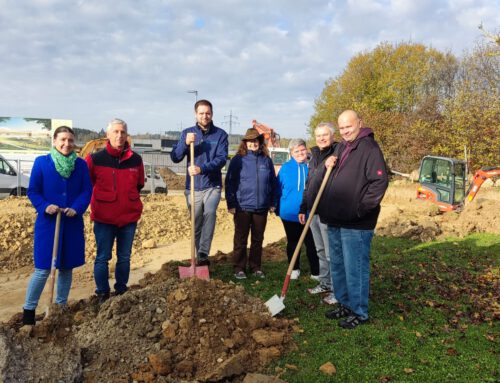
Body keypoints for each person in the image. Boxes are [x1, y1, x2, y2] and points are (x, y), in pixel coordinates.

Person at [318, 110, 388, 329]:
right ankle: (345, 304)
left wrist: (358, 210)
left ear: (360, 123)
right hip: (336, 219)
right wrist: (328, 163)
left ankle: (359, 311)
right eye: (341, 128)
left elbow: (379, 183)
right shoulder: (341, 147)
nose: (345, 131)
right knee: (338, 265)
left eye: (349, 126)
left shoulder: (369, 148)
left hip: (356, 223)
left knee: (354, 267)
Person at [23, 126, 92, 325]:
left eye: (70, 140)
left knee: (66, 268)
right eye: (62, 139)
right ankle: (29, 311)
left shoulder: (80, 165)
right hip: (48, 224)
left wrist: (76, 208)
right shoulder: (42, 163)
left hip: (70, 223)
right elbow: (33, 191)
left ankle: (60, 308)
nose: (66, 144)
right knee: (43, 269)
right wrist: (45, 206)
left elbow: (86, 191)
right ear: (54, 141)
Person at [86, 118, 144, 304]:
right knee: (103, 257)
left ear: (127, 135)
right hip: (104, 218)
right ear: (108, 135)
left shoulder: (136, 160)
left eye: (123, 132)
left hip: (128, 218)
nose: (120, 136)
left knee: (124, 257)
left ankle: (121, 291)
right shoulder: (95, 159)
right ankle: (102, 293)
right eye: (116, 132)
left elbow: (139, 184)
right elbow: (88, 184)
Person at [170, 99, 228, 266]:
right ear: (196, 114)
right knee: (196, 220)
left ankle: (203, 253)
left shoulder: (221, 135)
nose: (205, 116)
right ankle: (198, 256)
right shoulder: (187, 133)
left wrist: (202, 168)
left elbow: (222, 159)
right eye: (201, 113)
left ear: (212, 114)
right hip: (193, 186)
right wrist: (185, 143)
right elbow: (175, 157)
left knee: (209, 212)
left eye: (208, 113)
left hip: (212, 185)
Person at [225, 128, 278, 279]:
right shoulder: (238, 160)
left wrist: (273, 202)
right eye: (250, 141)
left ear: (260, 142)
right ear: (245, 143)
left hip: (261, 207)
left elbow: (273, 183)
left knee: (257, 239)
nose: (253, 143)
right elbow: (230, 182)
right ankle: (239, 268)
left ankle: (255, 267)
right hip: (242, 207)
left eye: (256, 140)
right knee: (241, 239)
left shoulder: (266, 160)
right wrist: (231, 204)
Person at [299, 123, 338, 304]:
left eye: (325, 135)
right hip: (312, 210)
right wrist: (303, 207)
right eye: (318, 135)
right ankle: (325, 283)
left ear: (332, 136)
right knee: (320, 250)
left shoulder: (338, 151)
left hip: (327, 210)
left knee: (331, 253)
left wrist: (331, 161)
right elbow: (309, 183)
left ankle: (337, 290)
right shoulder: (314, 154)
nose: (322, 138)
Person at [277, 139, 319, 280]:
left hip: (309, 213)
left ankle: (316, 271)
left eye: (302, 150)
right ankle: (294, 268)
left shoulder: (312, 166)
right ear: (291, 153)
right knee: (293, 242)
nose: (300, 153)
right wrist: (277, 208)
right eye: (296, 151)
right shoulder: (285, 168)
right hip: (289, 213)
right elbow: (278, 189)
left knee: (311, 243)